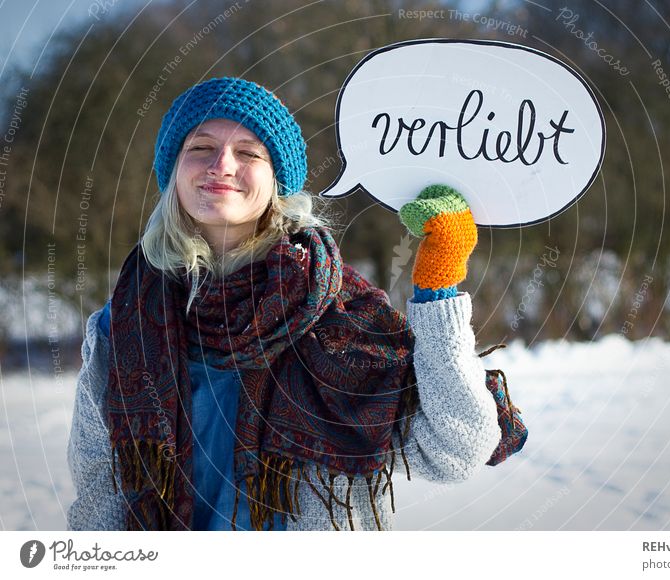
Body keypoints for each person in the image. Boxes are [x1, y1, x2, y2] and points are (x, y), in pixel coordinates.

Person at [67, 77, 525, 531]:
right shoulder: (123, 327)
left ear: (276, 182)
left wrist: (439, 285)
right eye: (201, 148)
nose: (222, 164)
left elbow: (458, 449)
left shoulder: (340, 314)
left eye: (248, 152)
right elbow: (98, 499)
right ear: (174, 173)